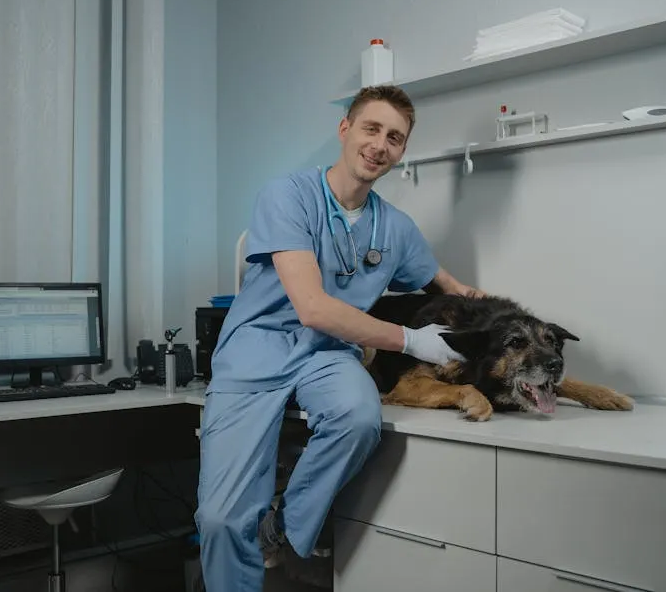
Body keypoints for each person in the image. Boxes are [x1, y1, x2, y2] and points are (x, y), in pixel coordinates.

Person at [194, 85, 485, 591]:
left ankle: (281, 528)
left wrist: (469, 298)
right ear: (345, 129)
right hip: (258, 349)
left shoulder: (395, 227)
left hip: (327, 356)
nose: (380, 145)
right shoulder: (288, 195)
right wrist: (413, 342)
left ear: (401, 151)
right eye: (371, 129)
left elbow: (434, 275)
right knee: (221, 521)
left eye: (395, 138)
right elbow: (311, 307)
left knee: (358, 417)